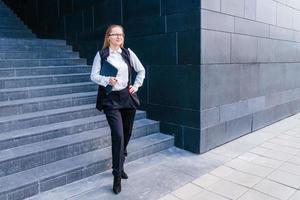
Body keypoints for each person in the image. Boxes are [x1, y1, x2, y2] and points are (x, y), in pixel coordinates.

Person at [90, 24, 145, 194]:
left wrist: (136, 86)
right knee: (118, 135)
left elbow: (141, 70)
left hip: (127, 98)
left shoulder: (128, 53)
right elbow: (93, 76)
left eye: (121, 34)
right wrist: (107, 80)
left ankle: (120, 163)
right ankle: (116, 175)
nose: (119, 37)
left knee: (127, 134)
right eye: (115, 34)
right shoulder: (102, 55)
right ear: (108, 37)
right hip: (111, 100)